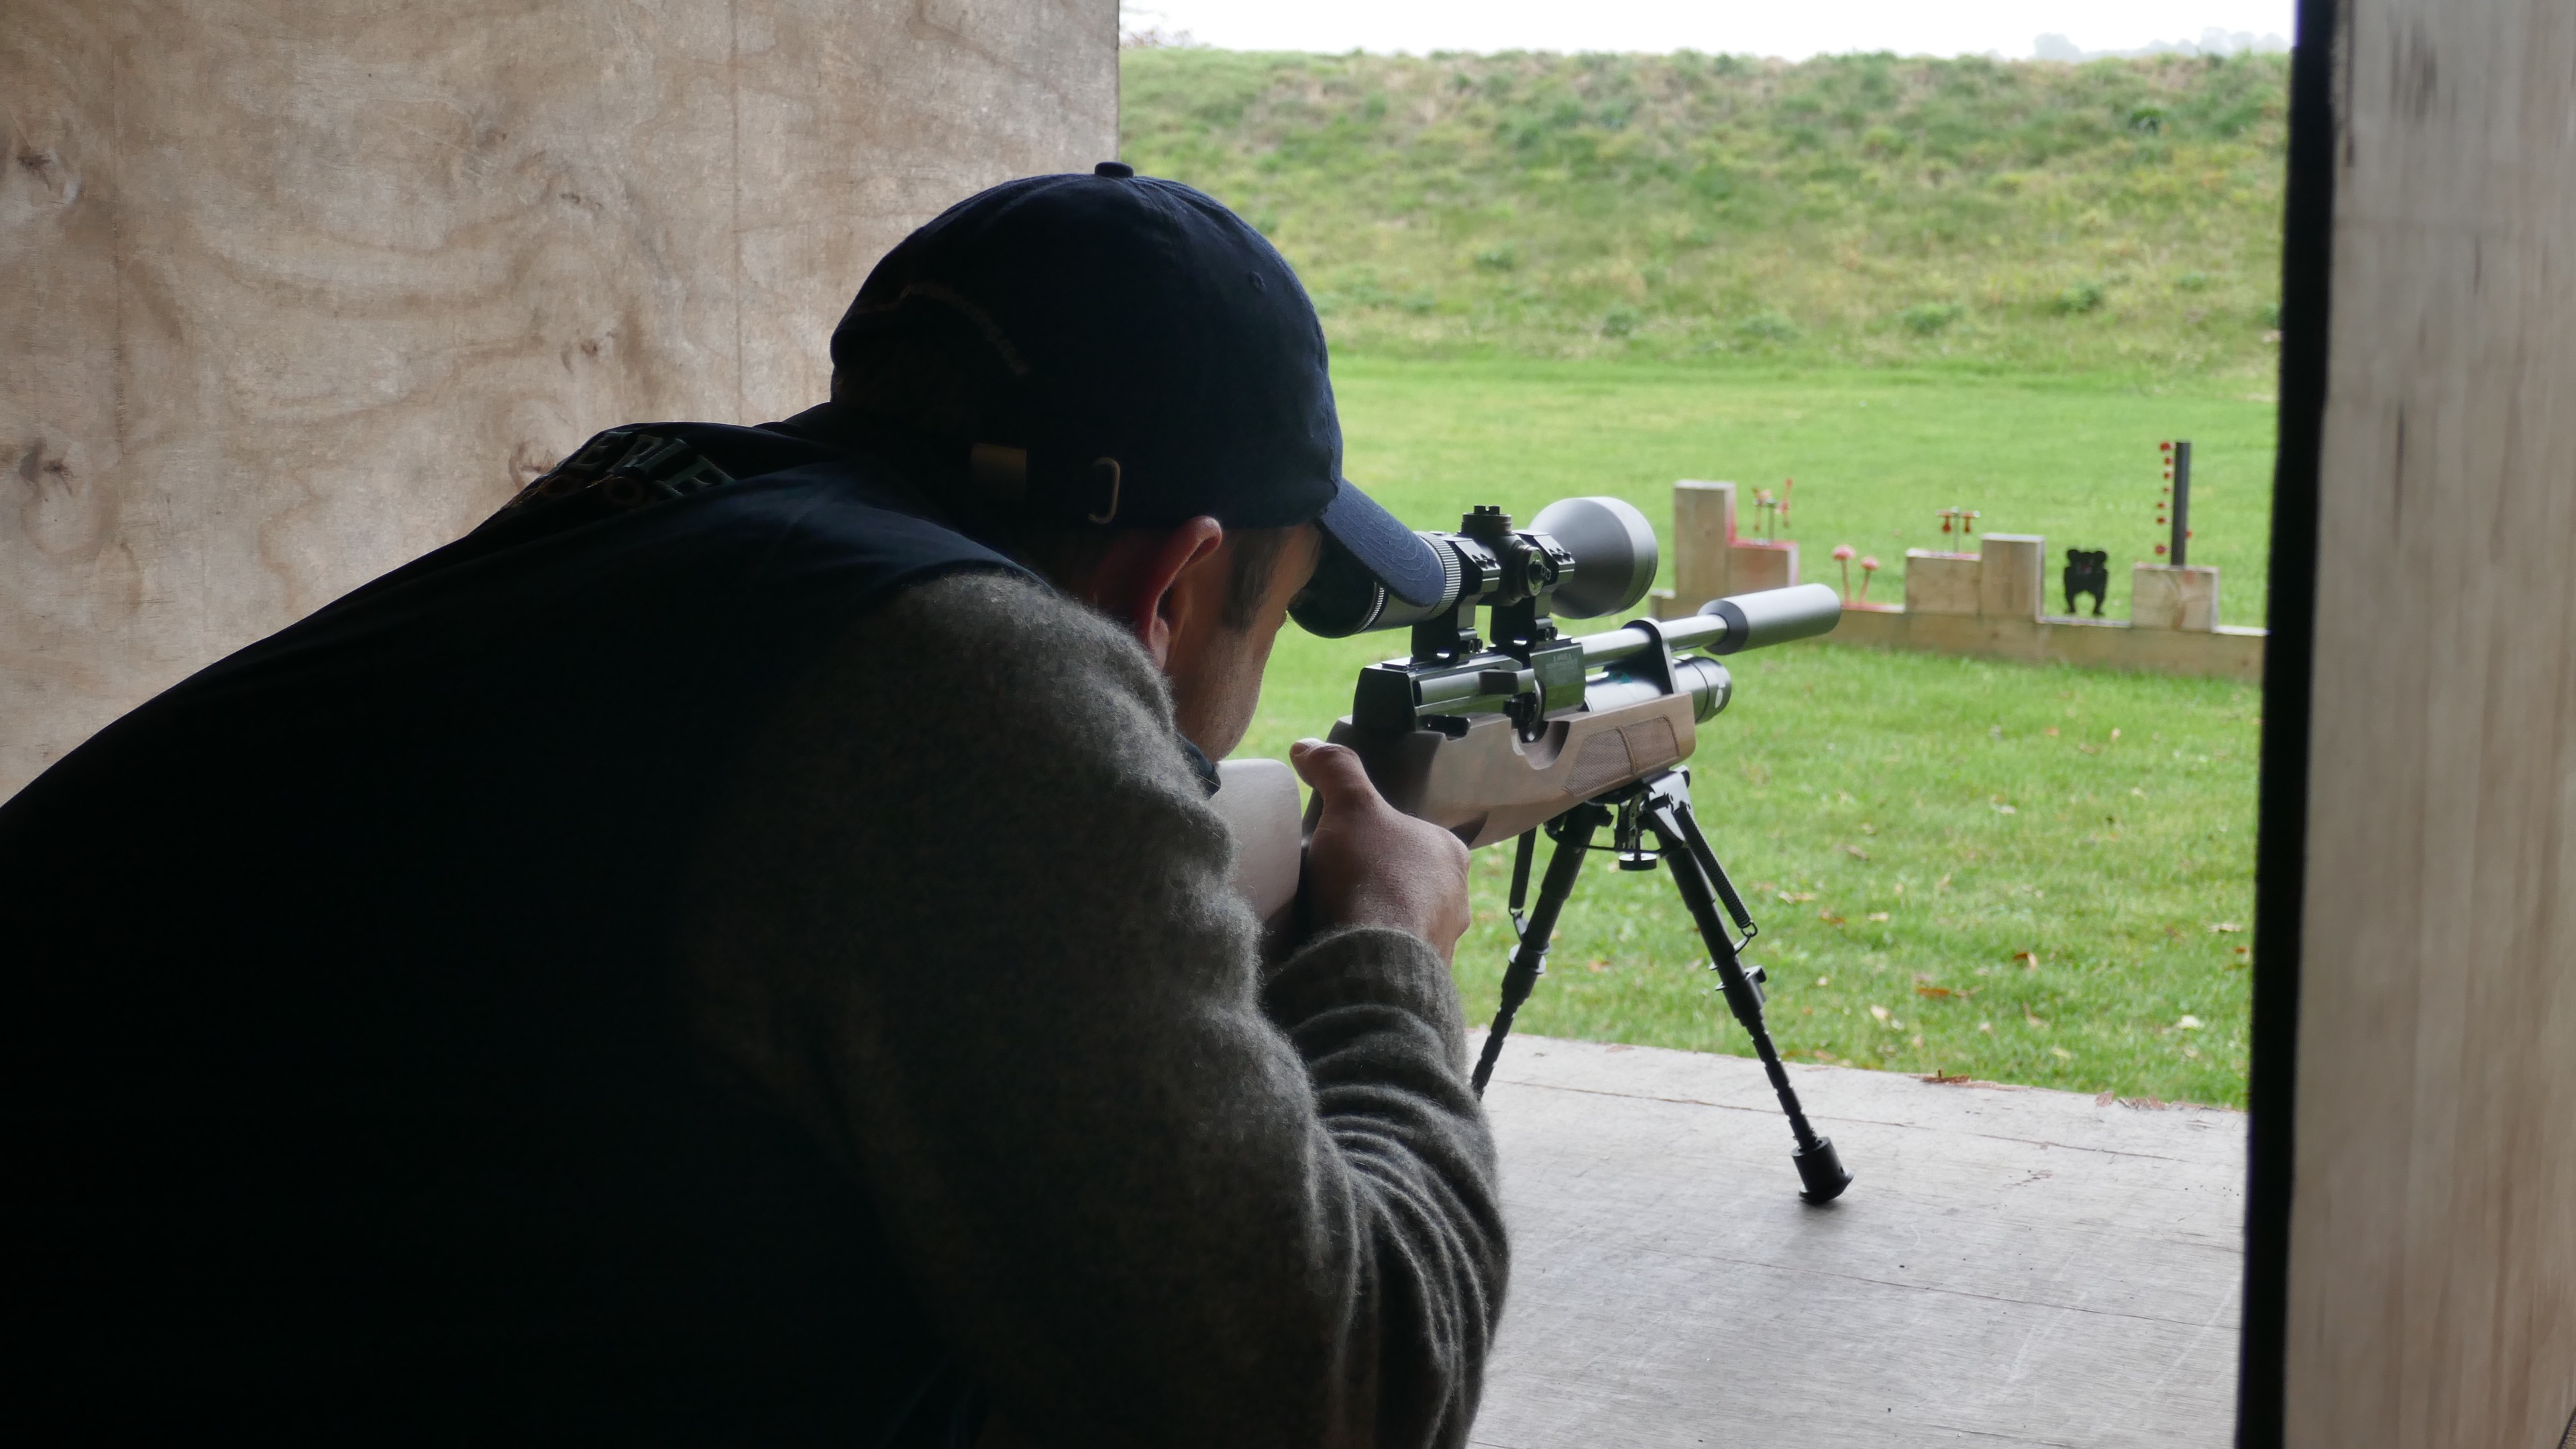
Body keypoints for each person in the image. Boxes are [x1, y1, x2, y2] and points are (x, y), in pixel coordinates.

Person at [0, 166, 1504, 1445]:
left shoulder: (651, 512)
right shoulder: (972, 682)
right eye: (1280, 612)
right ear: (1171, 583)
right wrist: (1384, 940)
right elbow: (1329, 1393)